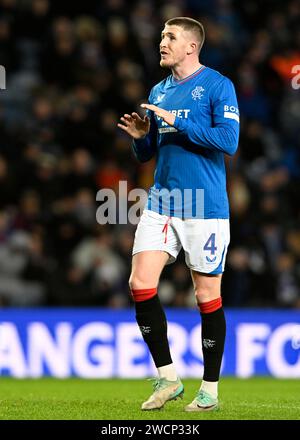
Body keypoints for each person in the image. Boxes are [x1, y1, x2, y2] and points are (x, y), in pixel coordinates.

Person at [118, 16, 239, 411]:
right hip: (162, 203)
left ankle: (210, 390)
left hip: (204, 206)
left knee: (206, 295)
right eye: (162, 35)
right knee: (140, 284)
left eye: (170, 36)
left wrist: (179, 122)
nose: (162, 41)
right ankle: (168, 378)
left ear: (192, 46)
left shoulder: (218, 86)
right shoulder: (159, 89)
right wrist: (141, 140)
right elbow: (152, 149)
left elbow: (229, 140)